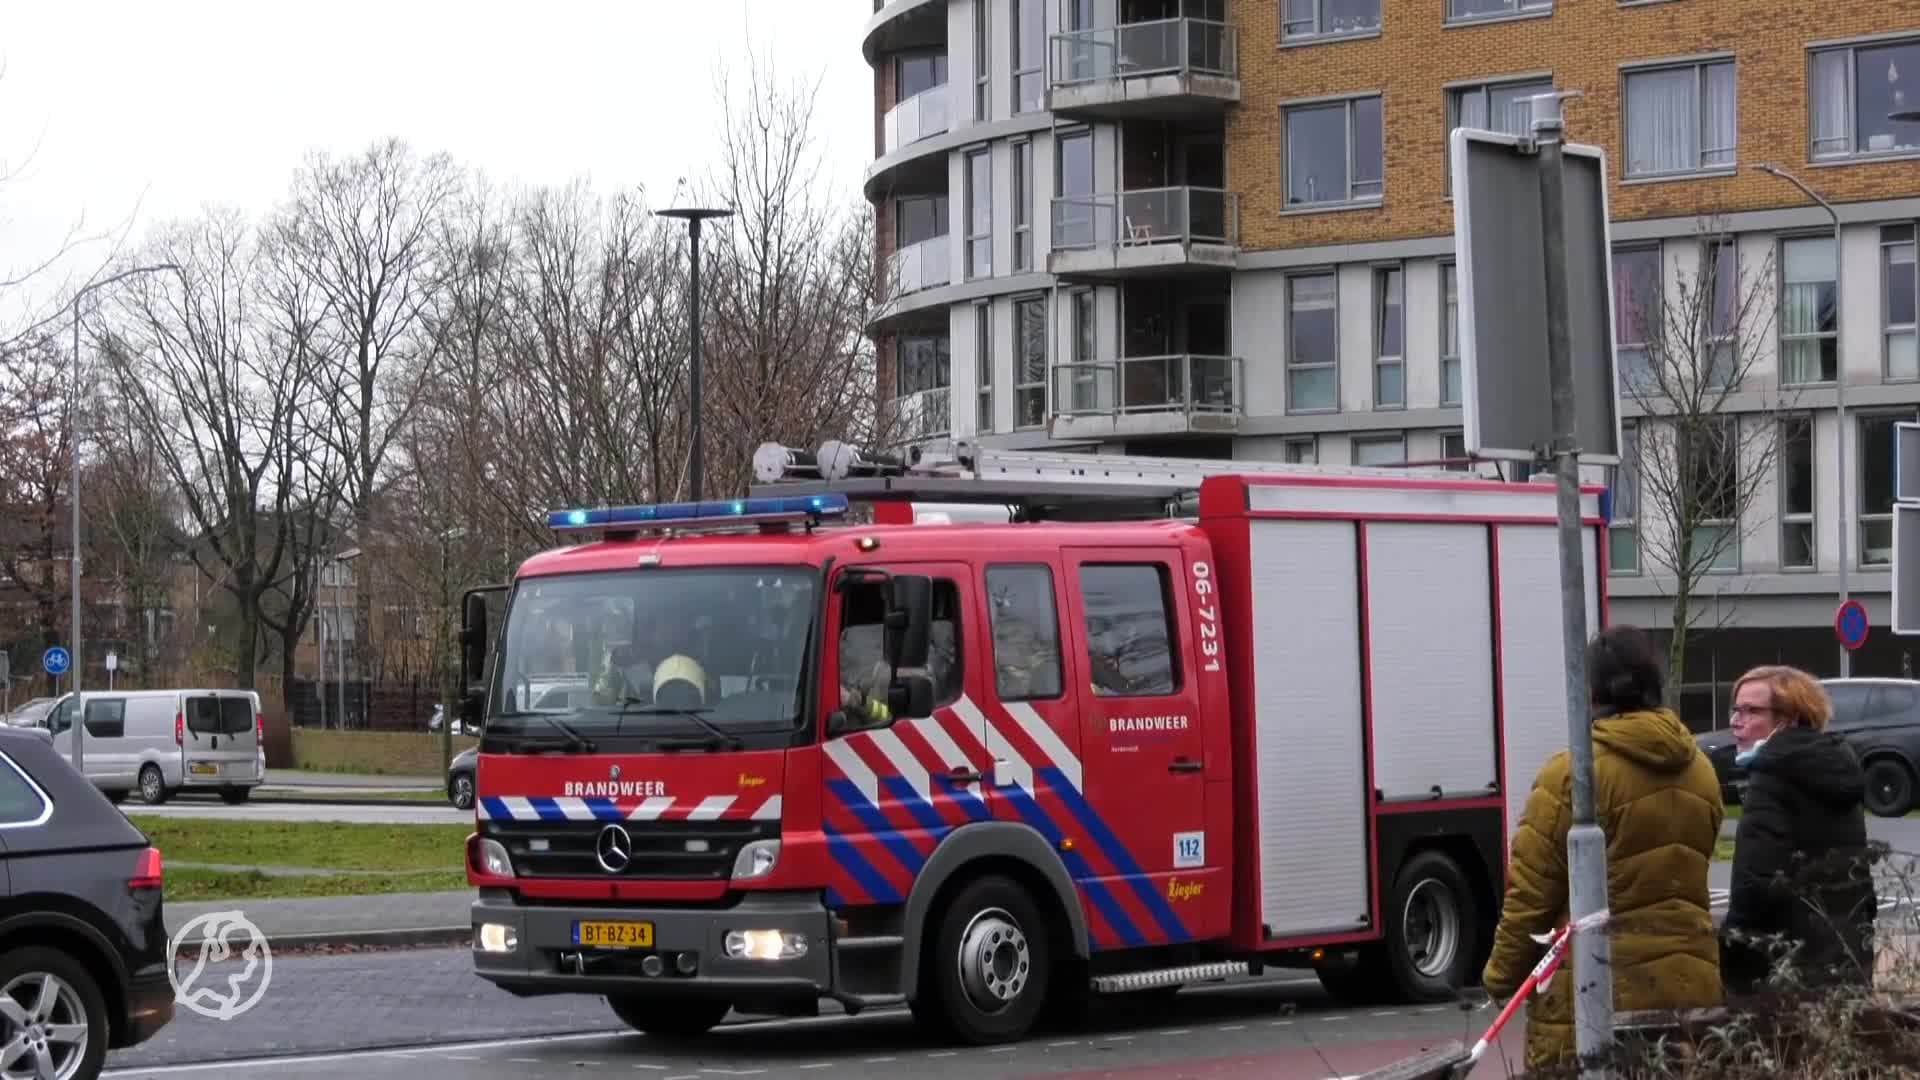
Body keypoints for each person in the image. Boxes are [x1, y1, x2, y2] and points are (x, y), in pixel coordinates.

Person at [1482, 625, 1724, 1074]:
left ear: (1589, 691)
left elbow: (1532, 896)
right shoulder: (1700, 770)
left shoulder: (1574, 774)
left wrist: (1500, 977)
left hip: (1597, 993)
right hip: (1690, 986)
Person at [1720, 665, 1877, 994]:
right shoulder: (1835, 766)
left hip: (1782, 972)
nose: (1736, 720)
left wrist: (1732, 965)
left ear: (1789, 719)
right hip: (1847, 959)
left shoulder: (1772, 778)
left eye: (1751, 710)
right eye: (1735, 709)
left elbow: (1754, 889)